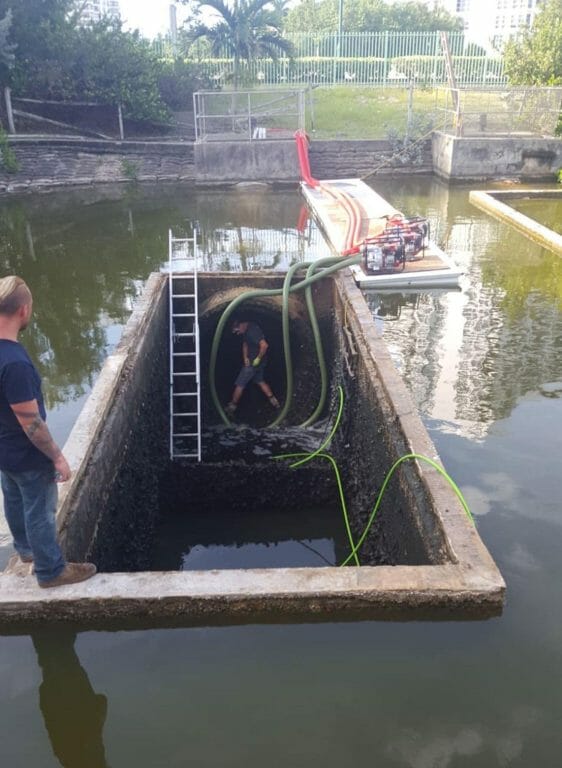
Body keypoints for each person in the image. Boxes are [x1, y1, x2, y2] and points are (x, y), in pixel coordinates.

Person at [0, 275, 96, 588]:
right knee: (40, 510)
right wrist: (57, 457)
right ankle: (51, 571)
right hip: (27, 455)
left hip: (5, 452)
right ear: (23, 310)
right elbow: (31, 424)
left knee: (15, 500)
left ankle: (27, 551)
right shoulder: (15, 363)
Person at [226, 319, 280, 415]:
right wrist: (245, 357)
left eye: (237, 331)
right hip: (256, 362)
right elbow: (245, 344)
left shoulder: (253, 332)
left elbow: (264, 345)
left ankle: (232, 407)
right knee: (260, 381)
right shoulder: (247, 329)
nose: (238, 334)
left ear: (240, 325)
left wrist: (258, 358)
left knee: (240, 384)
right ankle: (275, 402)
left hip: (253, 364)